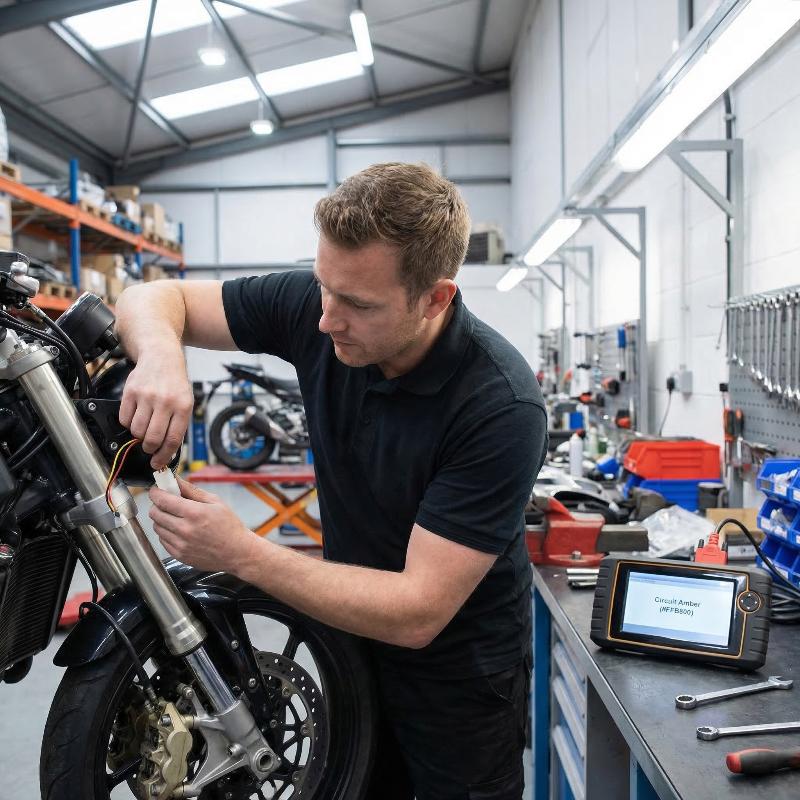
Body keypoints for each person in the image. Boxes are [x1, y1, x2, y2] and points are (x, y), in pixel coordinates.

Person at [115, 162, 548, 800]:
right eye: (325, 287)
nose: (326, 320)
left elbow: (418, 612)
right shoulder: (319, 307)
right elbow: (154, 297)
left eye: (359, 305)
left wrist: (240, 552)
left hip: (459, 681)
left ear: (436, 299)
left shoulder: (500, 406)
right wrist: (160, 357)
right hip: (346, 647)